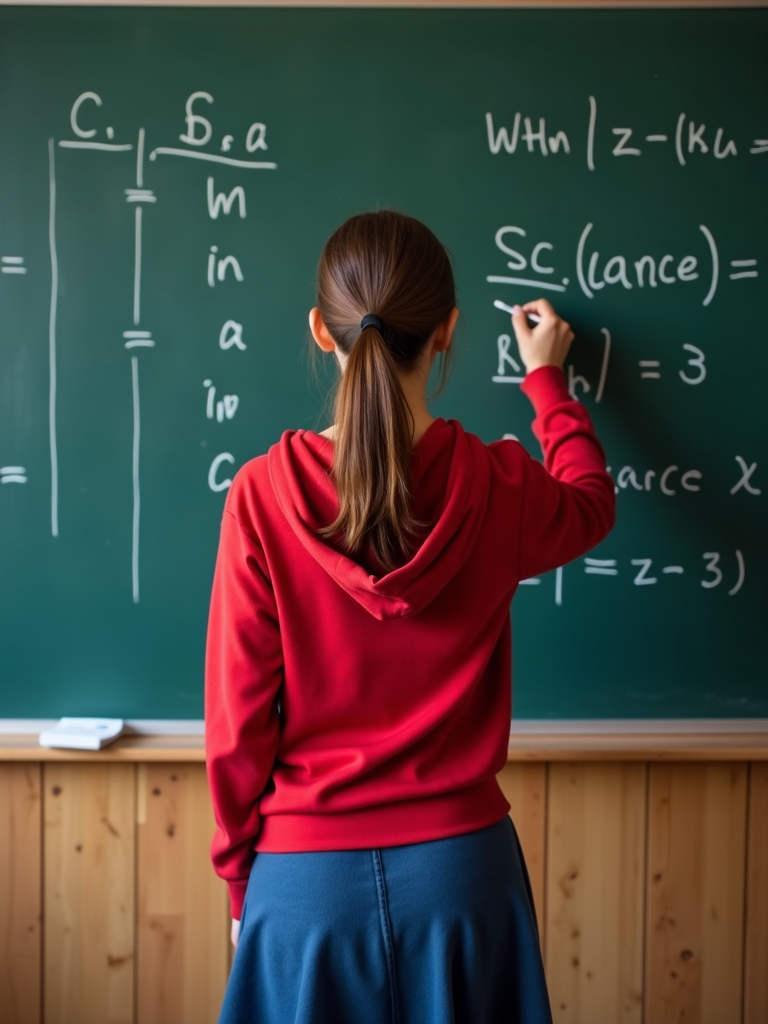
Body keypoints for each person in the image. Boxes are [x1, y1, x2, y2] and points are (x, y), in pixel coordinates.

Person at [205, 210, 615, 1024]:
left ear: (322, 331)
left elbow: (237, 721)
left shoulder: (260, 495)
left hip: (302, 884)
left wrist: (238, 881)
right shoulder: (500, 486)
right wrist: (547, 385)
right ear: (448, 332)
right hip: (463, 880)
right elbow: (590, 505)